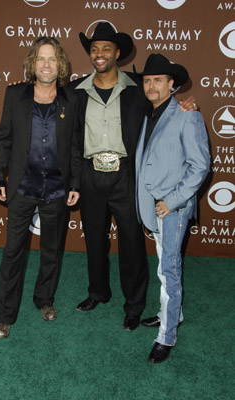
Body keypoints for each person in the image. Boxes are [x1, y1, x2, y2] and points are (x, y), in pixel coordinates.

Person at [67, 22, 197, 331]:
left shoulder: (138, 89)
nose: (100, 54)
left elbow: (164, 106)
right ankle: (98, 292)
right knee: (94, 240)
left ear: (118, 53)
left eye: (106, 49)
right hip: (90, 172)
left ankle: (134, 305)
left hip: (127, 176)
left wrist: (187, 105)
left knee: (131, 243)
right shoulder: (76, 92)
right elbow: (68, 136)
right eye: (95, 49)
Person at [0, 37, 81, 338]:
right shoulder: (15, 94)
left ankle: (44, 300)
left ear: (61, 64)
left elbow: (76, 147)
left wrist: (76, 184)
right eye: (41, 59)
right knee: (12, 252)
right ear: (32, 63)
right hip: (21, 187)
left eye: (53, 59)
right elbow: (3, 137)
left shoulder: (72, 99)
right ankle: (5, 315)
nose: (46, 64)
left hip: (57, 188)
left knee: (51, 251)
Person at [134, 53, 210, 363]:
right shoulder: (146, 113)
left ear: (172, 84)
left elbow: (200, 165)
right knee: (164, 267)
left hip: (171, 208)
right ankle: (171, 314)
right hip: (152, 206)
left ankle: (167, 335)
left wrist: (174, 200)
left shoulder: (186, 114)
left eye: (158, 80)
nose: (151, 85)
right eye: (147, 80)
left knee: (169, 270)